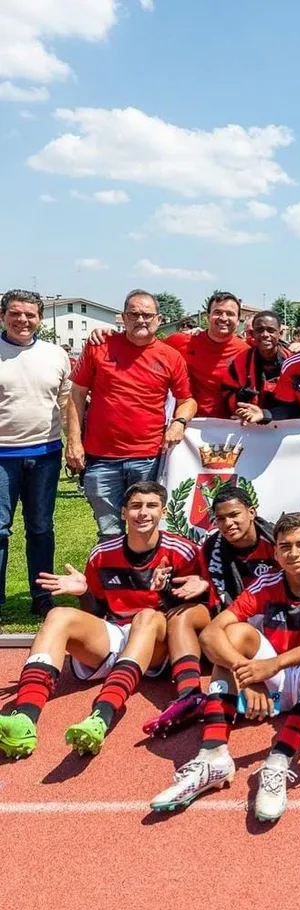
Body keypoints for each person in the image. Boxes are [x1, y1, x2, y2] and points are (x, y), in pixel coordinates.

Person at [150, 512, 300, 822]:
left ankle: (279, 761)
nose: (293, 553)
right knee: (234, 635)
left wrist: (272, 665)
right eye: (285, 547)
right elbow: (212, 633)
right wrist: (246, 673)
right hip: (276, 681)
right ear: (275, 551)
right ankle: (213, 756)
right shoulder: (266, 582)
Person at [0, 482, 197, 759]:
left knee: (146, 617)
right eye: (136, 506)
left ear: (163, 512)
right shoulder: (102, 553)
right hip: (116, 634)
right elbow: (95, 613)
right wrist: (85, 593)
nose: (143, 513)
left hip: (157, 643)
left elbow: (191, 616)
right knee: (59, 615)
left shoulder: (184, 551)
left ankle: (100, 716)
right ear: (123, 512)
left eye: (151, 506)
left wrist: (166, 594)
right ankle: (25, 718)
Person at [142, 485, 279, 738]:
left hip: (276, 622)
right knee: (182, 615)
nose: (228, 523)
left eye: (234, 515)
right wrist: (167, 588)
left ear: (251, 512)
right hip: (231, 617)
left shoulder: (278, 541)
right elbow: (207, 594)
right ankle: (190, 695)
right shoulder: (212, 546)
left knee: (235, 629)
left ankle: (249, 685)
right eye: (221, 518)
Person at [67, 290, 196, 539]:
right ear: (123, 318)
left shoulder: (171, 356)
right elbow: (76, 395)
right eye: (134, 314)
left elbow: (187, 400)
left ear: (159, 319)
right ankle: (112, 577)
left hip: (147, 458)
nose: (141, 320)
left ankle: (145, 578)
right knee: (109, 532)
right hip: (100, 458)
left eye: (147, 315)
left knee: (146, 529)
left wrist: (179, 422)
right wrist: (73, 440)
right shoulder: (99, 347)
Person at [0, 289, 72, 618]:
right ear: (3, 316)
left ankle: (41, 595)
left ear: (40, 319)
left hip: (44, 453)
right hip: (2, 456)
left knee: (41, 528)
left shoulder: (56, 354)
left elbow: (67, 402)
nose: (23, 320)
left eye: (30, 315)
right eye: (15, 313)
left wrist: (74, 441)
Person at [162, 292, 248, 418]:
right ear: (208, 316)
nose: (223, 318)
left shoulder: (246, 352)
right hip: (185, 426)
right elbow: (150, 353)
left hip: (228, 426)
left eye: (230, 314)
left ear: (238, 319)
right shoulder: (179, 342)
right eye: (218, 312)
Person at [220, 309, 285, 416]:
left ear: (280, 334)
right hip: (250, 425)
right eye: (259, 330)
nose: (265, 334)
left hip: (285, 423)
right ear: (252, 333)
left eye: (270, 330)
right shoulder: (240, 361)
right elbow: (226, 392)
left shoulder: (292, 360)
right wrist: (239, 398)